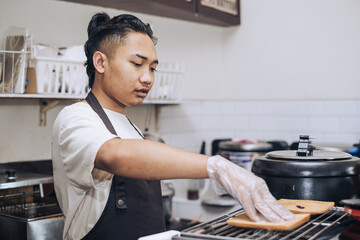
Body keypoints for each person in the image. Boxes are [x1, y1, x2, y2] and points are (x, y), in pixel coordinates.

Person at [52, 12, 293, 240]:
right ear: (100, 62)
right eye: (137, 64)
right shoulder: (75, 117)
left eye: (153, 68)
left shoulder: (128, 125)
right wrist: (217, 166)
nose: (147, 78)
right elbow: (114, 155)